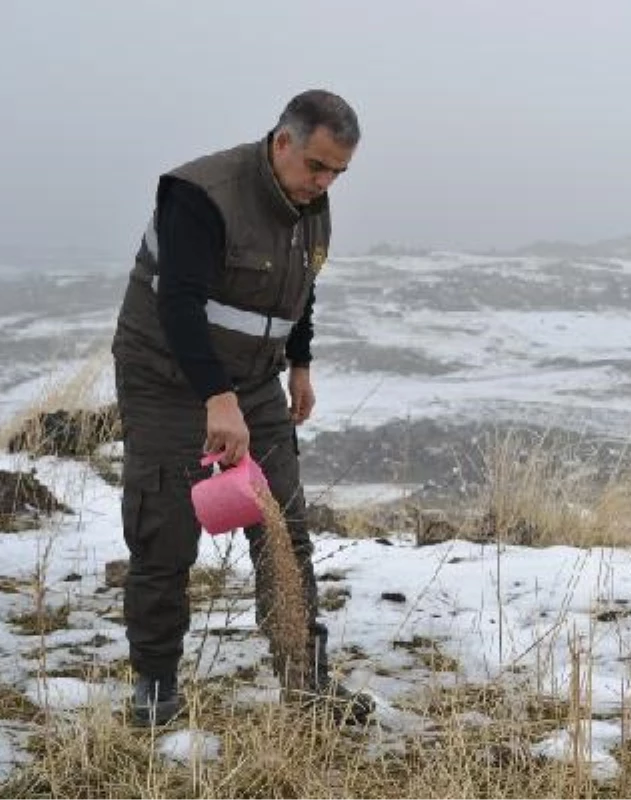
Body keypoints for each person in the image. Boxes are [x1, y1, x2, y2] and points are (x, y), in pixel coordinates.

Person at [110, 89, 374, 727]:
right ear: (283, 141)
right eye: (317, 165)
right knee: (165, 531)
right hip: (168, 378)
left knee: (285, 529)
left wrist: (300, 364)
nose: (325, 182)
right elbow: (178, 306)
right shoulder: (200, 196)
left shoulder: (311, 203)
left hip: (253, 380)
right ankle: (155, 686)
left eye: (339, 171)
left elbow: (301, 287)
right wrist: (216, 399)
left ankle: (304, 683)